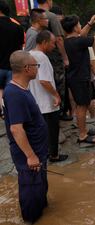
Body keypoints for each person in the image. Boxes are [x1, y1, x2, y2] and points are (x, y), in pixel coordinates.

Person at [3, 50, 49, 223]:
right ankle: (31, 219)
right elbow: (16, 129)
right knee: (31, 191)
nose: (37, 69)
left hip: (37, 151)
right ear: (27, 68)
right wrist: (30, 156)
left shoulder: (21, 89)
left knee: (40, 190)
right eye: (36, 66)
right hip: (29, 155)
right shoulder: (14, 93)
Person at [61, 14, 95, 144]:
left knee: (84, 104)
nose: (81, 26)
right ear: (75, 28)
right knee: (81, 107)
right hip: (80, 79)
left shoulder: (69, 41)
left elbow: (81, 35)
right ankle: (82, 135)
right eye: (79, 24)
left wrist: (90, 23)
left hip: (76, 78)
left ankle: (84, 129)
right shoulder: (78, 42)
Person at [29, 30, 68, 163]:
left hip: (35, 101)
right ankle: (54, 155)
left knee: (40, 132)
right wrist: (56, 95)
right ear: (44, 42)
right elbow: (44, 81)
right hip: (47, 103)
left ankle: (42, 154)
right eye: (52, 43)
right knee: (52, 131)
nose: (54, 46)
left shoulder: (28, 55)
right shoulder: (42, 58)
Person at [37, 0, 71, 121]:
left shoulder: (32, 15)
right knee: (58, 82)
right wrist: (65, 58)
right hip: (54, 57)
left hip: (38, 55)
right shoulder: (51, 16)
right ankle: (60, 112)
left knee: (43, 82)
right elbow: (59, 39)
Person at [0, 0, 24, 119]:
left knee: (0, 90)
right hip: (13, 66)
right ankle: (11, 111)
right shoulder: (17, 27)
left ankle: (3, 111)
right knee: (12, 91)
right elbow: (20, 46)